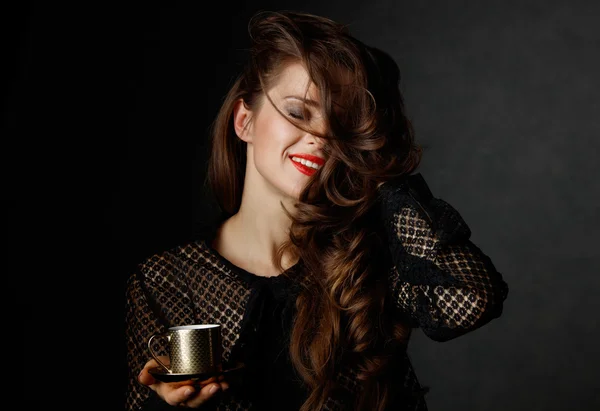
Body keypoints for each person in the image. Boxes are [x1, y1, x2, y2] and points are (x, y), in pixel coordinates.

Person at [125, 10, 509, 411]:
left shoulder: (366, 259)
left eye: (341, 125)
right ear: (245, 121)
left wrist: (380, 166)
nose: (322, 136)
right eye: (298, 111)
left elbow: (471, 302)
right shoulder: (164, 281)